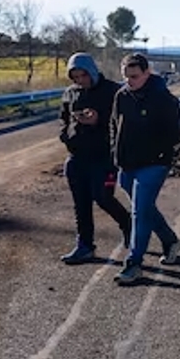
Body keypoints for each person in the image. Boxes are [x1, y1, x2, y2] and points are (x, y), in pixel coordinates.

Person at [110, 52, 180, 284]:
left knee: (140, 211)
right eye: (126, 76)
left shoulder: (164, 99)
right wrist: (116, 151)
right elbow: (114, 125)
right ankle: (170, 241)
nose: (129, 81)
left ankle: (134, 263)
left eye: (134, 76)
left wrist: (154, 150)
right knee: (144, 208)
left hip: (154, 163)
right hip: (127, 163)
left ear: (147, 73)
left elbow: (175, 133)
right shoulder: (122, 96)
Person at [57, 52, 132, 264]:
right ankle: (85, 245)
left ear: (92, 71)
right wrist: (67, 135)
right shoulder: (70, 93)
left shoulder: (112, 91)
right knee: (81, 203)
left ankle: (127, 224)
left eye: (83, 75)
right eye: (76, 77)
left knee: (103, 197)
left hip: (104, 157)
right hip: (77, 156)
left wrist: (99, 120)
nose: (80, 80)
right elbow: (63, 119)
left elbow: (122, 123)